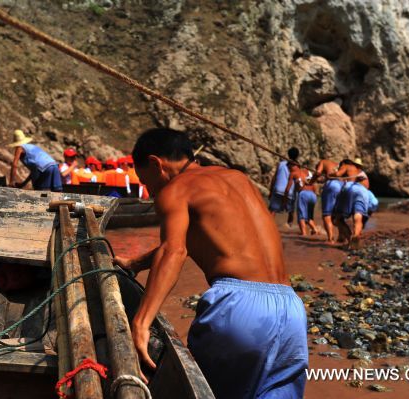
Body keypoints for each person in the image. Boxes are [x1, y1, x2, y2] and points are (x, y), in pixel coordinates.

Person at [114, 128, 308, 399]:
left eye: (146, 181)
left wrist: (141, 322)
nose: (149, 192)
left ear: (157, 163)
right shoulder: (237, 179)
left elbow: (174, 250)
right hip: (291, 310)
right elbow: (208, 241)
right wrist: (136, 263)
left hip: (239, 307)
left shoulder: (176, 190)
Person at [330, 158, 370, 249]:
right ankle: (356, 235)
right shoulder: (364, 174)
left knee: (338, 219)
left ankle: (350, 240)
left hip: (351, 188)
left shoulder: (347, 165)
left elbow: (337, 174)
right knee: (358, 216)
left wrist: (330, 174)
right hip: (363, 192)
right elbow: (367, 188)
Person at [310, 159, 343, 244]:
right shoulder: (336, 163)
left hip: (332, 185)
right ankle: (341, 236)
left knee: (326, 214)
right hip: (342, 185)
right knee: (338, 213)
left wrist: (310, 182)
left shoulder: (323, 161)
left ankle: (330, 239)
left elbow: (317, 173)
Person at [283, 162, 318, 236]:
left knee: (301, 216)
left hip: (303, 194)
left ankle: (304, 233)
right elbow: (314, 186)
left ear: (294, 166)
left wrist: (285, 199)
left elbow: (288, 188)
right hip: (313, 195)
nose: (289, 170)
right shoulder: (308, 172)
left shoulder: (293, 173)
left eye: (289, 168)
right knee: (309, 216)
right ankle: (315, 229)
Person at [268, 147, 300, 227]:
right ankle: (289, 226)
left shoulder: (281, 164)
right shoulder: (297, 166)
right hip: (290, 192)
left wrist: (271, 191)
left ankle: (269, 226)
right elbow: (297, 181)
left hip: (278, 190)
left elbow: (274, 178)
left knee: (272, 211)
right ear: (297, 156)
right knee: (291, 212)